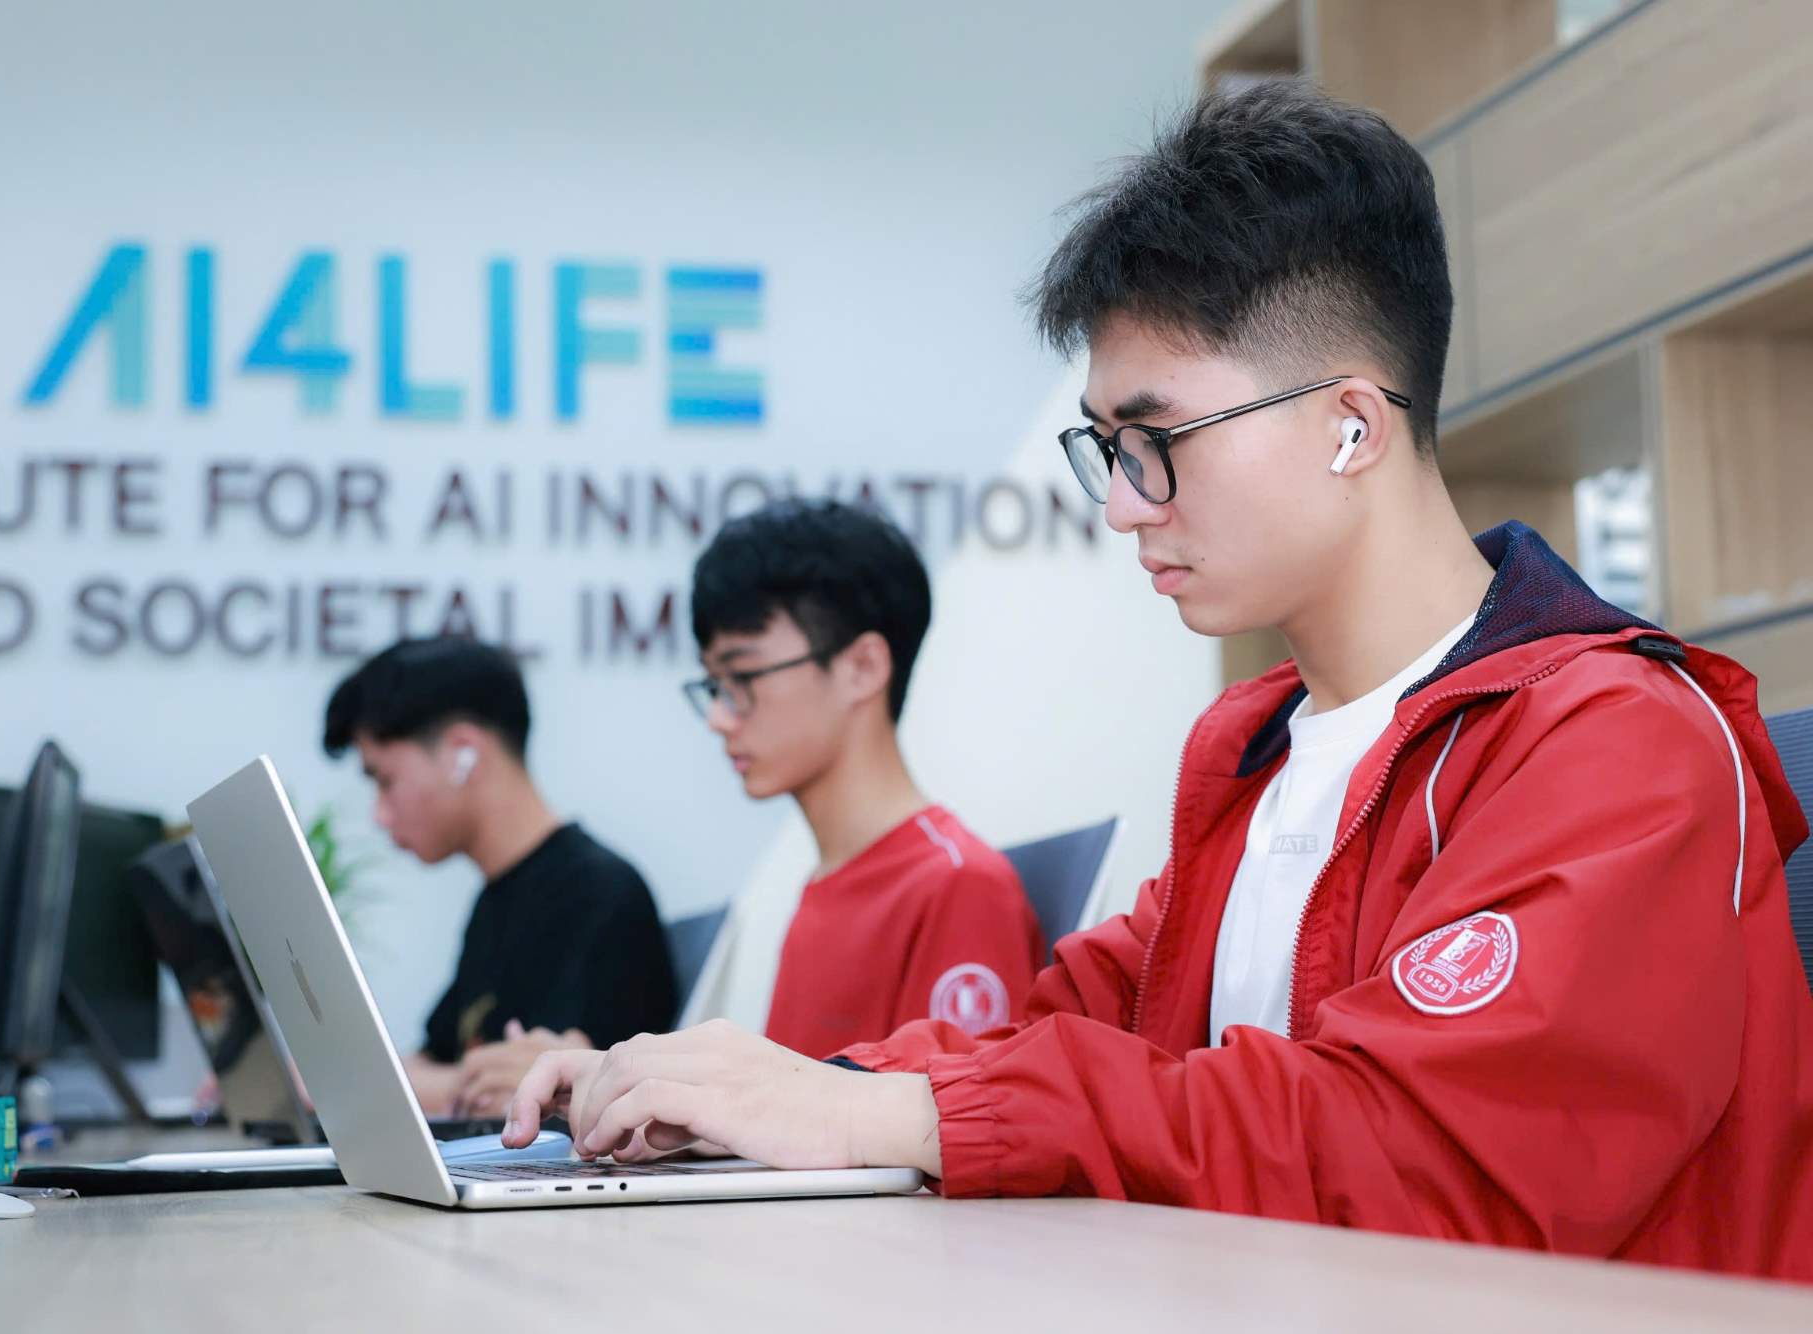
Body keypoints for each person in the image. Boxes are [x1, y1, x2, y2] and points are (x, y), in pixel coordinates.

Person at [503, 82, 1813, 1281]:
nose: (1125, 506)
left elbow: (1431, 1153)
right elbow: (1047, 1036)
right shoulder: (1253, 762)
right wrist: (755, 1085)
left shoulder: (1619, 741)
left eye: (1156, 441)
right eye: (1106, 448)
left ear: (1350, 423)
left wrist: (877, 1107)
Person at [679, 498, 1043, 1056]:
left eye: (742, 677)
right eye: (714, 686)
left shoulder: (957, 885)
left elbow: (960, 1126)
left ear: (863, 668)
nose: (719, 717)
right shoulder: (830, 881)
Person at [323, 636, 676, 1117]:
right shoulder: (495, 902)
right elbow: (436, 1062)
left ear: (463, 753)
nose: (380, 816)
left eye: (385, 780)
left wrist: (349, 1085)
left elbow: (546, 1094)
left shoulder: (601, 896)